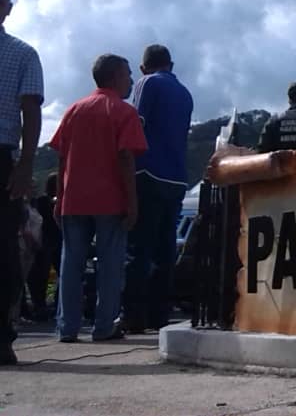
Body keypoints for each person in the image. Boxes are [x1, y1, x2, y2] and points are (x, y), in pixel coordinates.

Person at [50, 54, 146, 343]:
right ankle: (104, 326)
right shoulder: (124, 112)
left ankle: (67, 327)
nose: (131, 80)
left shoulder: (73, 110)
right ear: (116, 76)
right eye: (128, 74)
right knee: (110, 265)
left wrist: (59, 197)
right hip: (109, 199)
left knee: (71, 264)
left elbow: (62, 157)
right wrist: (132, 202)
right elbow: (126, 158)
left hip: (74, 199)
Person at [123, 44, 193, 334]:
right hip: (177, 178)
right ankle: (159, 316)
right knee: (165, 251)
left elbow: (134, 125)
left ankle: (134, 315)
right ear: (171, 65)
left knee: (139, 249)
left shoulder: (146, 83)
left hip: (149, 172)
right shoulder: (186, 93)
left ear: (143, 67)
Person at [0, 0, 44, 365]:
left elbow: (31, 109)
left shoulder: (21, 53)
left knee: (4, 249)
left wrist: (26, 163)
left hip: (1, 156)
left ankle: (2, 336)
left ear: (8, 8)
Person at [26, 173, 61, 320]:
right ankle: (44, 305)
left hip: (48, 242)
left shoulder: (40, 201)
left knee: (41, 276)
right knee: (43, 275)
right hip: (48, 242)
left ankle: (41, 305)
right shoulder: (46, 201)